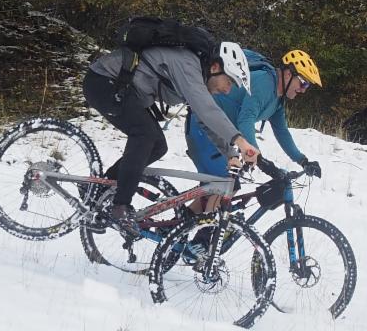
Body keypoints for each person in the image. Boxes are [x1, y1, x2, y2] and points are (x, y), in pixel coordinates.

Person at [83, 39, 260, 236]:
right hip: (103, 81)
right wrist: (241, 141)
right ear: (216, 67)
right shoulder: (188, 66)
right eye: (229, 81)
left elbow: (204, 119)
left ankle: (100, 188)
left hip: (122, 89)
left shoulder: (197, 75)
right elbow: (208, 111)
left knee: (158, 145)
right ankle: (120, 206)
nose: (228, 90)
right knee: (145, 135)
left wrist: (229, 153)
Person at [185, 48, 323, 187]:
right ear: (288, 74)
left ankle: (193, 210)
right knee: (222, 185)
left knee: (225, 188)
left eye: (308, 86)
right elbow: (245, 121)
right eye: (303, 83)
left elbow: (282, 132)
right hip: (202, 125)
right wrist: (259, 158)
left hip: (221, 134)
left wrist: (303, 161)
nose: (304, 90)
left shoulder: (278, 100)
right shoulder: (265, 83)